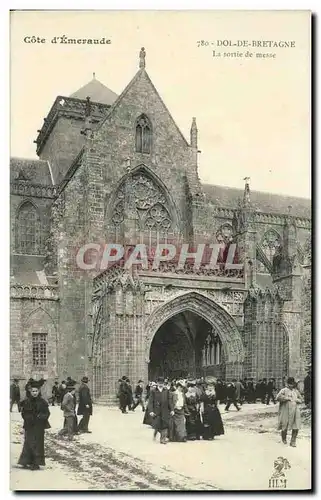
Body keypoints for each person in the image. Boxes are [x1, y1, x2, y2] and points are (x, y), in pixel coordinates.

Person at [18, 380, 50, 470]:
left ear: (39, 391)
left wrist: (41, 417)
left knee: (38, 444)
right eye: (33, 391)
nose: (34, 393)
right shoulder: (27, 402)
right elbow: (24, 413)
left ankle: (36, 463)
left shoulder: (43, 402)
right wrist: (29, 418)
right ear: (30, 392)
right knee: (28, 442)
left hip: (39, 427)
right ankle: (25, 461)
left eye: (36, 391)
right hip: (29, 425)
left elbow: (47, 413)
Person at [276, 377, 303, 447]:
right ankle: (284, 438)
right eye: (289, 384)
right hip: (286, 410)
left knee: (296, 425)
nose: (291, 386)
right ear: (287, 384)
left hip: (295, 411)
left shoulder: (296, 391)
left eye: (292, 384)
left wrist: (297, 400)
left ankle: (293, 441)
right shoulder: (284, 390)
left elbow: (301, 399)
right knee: (285, 425)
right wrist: (286, 398)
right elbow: (277, 397)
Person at [147, 376, 175, 444]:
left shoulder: (166, 391)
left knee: (165, 425)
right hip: (156, 411)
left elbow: (169, 401)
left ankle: (162, 439)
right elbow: (150, 402)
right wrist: (151, 411)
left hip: (165, 410)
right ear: (157, 383)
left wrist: (172, 409)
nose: (160, 384)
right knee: (158, 424)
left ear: (163, 383)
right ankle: (155, 434)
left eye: (162, 383)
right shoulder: (153, 391)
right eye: (159, 383)